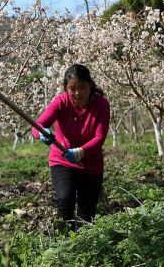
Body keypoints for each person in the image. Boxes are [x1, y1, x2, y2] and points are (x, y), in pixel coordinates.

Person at [33, 64, 110, 229]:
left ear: (90, 85)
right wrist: (41, 133)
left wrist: (81, 151)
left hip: (90, 164)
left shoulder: (101, 105)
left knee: (86, 213)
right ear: (66, 89)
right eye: (72, 88)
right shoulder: (61, 102)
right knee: (65, 200)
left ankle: (82, 248)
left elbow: (100, 137)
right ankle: (63, 245)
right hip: (63, 160)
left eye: (81, 88)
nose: (77, 93)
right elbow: (38, 124)